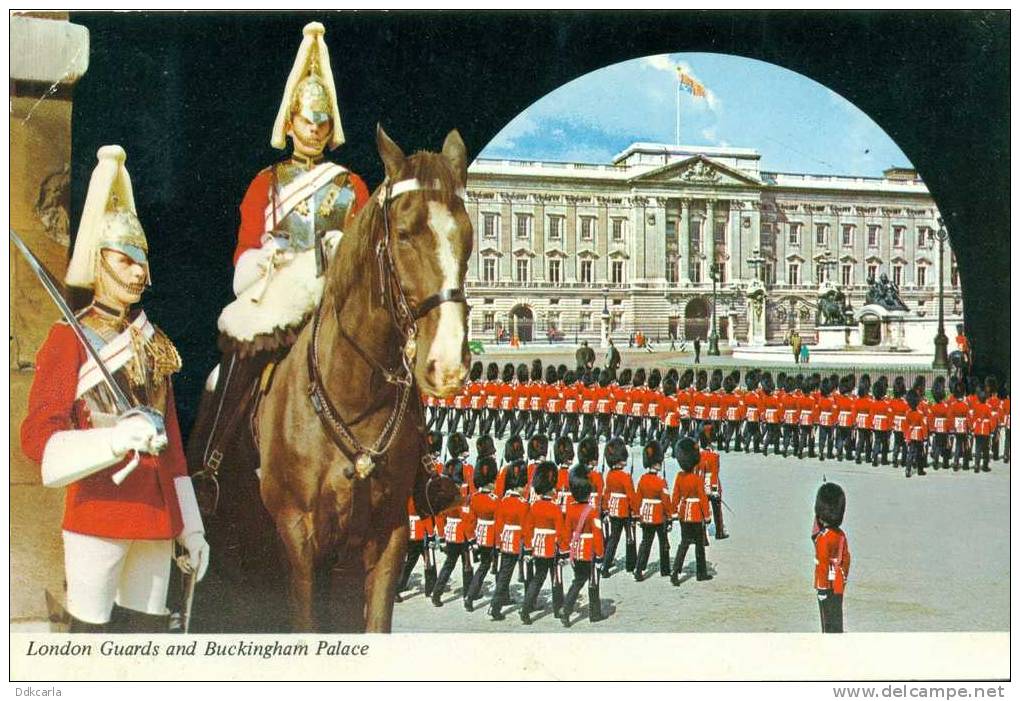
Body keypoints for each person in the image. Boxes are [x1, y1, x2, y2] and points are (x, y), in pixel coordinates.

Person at [20, 145, 209, 633]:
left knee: (144, 646)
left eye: (141, 262)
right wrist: (114, 439)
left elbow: (173, 450)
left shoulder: (155, 342)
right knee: (90, 644)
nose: (138, 272)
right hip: (97, 514)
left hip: (155, 519)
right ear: (99, 262)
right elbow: (38, 438)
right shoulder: (68, 339)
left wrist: (190, 525)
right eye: (125, 260)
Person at [519, 462, 569, 624]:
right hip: (552, 547)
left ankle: (525, 609)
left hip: (538, 546)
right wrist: (564, 551)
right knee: (557, 578)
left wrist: (528, 549)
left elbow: (528, 529)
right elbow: (561, 532)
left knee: (537, 579)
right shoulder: (555, 508)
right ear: (551, 489)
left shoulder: (534, 506)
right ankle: (558, 609)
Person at [560, 467, 605, 626]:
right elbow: (598, 535)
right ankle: (595, 613)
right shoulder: (592, 512)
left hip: (576, 551)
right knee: (593, 582)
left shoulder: (571, 509)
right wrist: (600, 554)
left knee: (578, 581)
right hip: (589, 551)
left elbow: (566, 531)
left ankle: (565, 610)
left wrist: (566, 550)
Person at [489, 461, 529, 621]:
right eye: (524, 485)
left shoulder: (503, 501)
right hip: (516, 542)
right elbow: (526, 528)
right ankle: (499, 605)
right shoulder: (522, 504)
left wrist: (498, 543)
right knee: (516, 574)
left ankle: (497, 603)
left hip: (504, 540)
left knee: (504, 574)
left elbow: (498, 523)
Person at [431, 459, 475, 607]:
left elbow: (439, 516)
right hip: (462, 534)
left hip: (450, 532)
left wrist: (442, 535)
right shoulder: (460, 493)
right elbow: (466, 517)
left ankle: (436, 593)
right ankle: (467, 597)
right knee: (467, 564)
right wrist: (471, 538)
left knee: (448, 564)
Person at [670, 437, 712, 585]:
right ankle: (701, 573)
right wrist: (707, 516)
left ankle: (675, 571)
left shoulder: (679, 477)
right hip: (695, 514)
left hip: (683, 513)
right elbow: (703, 499)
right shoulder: (696, 479)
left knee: (684, 543)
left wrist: (672, 511)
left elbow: (675, 496)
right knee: (699, 545)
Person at [813, 482, 851, 633]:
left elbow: (822, 564)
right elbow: (846, 558)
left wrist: (822, 588)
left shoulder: (823, 538)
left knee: (826, 620)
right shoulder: (841, 535)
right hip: (839, 582)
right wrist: (842, 578)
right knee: (836, 616)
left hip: (826, 584)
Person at [633, 440, 673, 581]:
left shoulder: (642, 479)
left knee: (645, 544)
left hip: (646, 515)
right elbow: (666, 501)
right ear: (657, 464)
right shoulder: (661, 481)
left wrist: (637, 515)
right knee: (664, 543)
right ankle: (665, 570)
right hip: (658, 515)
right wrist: (670, 516)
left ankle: (638, 570)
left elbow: (638, 498)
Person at [463, 457, 500, 610]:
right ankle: (500, 597)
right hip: (492, 536)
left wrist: (472, 539)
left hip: (480, 535)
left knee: (483, 567)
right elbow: (498, 523)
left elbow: (470, 520)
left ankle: (470, 596)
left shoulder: (475, 498)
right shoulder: (494, 500)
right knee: (497, 568)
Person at [600, 437, 638, 578]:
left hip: (613, 509)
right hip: (625, 510)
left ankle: (605, 566)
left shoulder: (609, 475)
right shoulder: (625, 476)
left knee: (613, 539)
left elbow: (607, 493)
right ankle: (631, 564)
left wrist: (605, 508)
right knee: (630, 537)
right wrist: (635, 512)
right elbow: (631, 496)